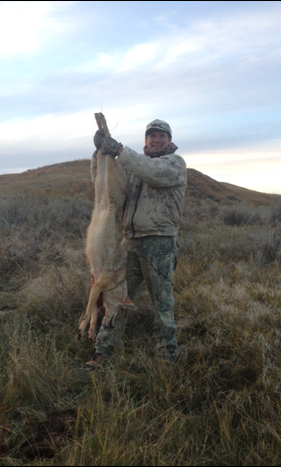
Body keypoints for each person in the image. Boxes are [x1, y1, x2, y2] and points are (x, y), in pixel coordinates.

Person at [87, 119, 187, 366]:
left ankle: (166, 358)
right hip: (130, 243)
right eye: (151, 135)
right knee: (117, 299)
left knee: (162, 305)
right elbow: (106, 181)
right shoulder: (133, 169)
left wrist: (119, 150)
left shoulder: (174, 164)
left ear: (169, 141)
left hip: (159, 244)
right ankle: (102, 354)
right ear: (145, 141)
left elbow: (152, 172)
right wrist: (99, 153)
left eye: (161, 136)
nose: (156, 139)